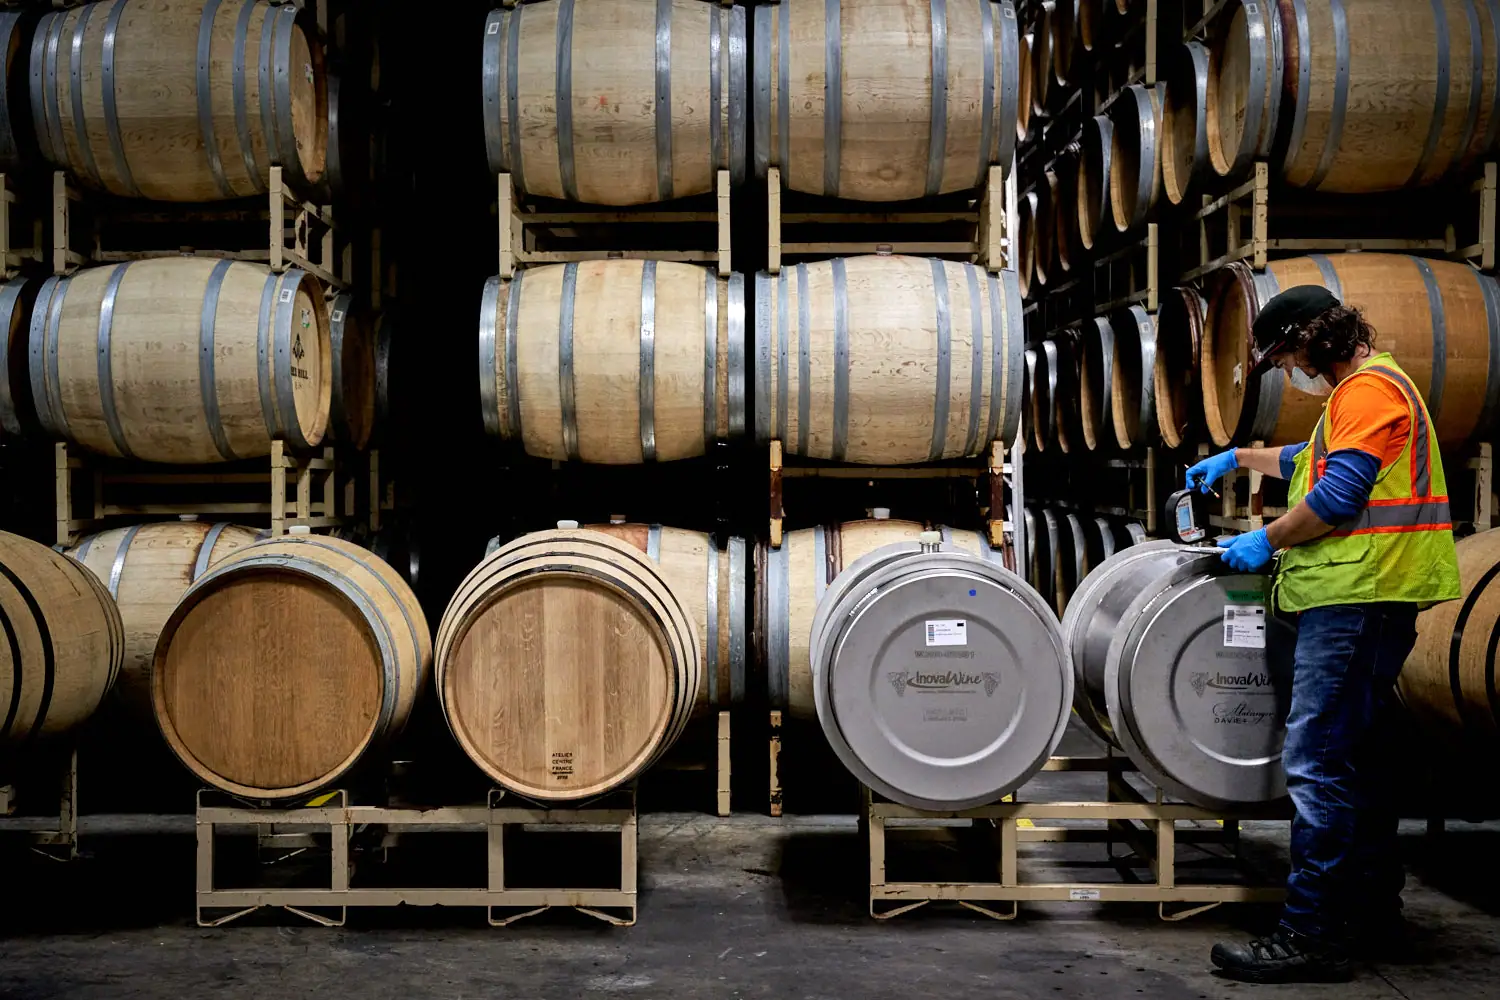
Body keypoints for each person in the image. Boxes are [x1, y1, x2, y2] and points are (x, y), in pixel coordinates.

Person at [1184, 285, 1461, 984]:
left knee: (1318, 765)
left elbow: (1336, 500)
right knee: (1358, 761)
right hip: (1363, 597)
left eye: (1288, 355)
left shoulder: (1366, 391)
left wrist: (1265, 543)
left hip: (1356, 597)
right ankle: (1371, 914)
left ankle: (1312, 933)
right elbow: (1313, 461)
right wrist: (1241, 460)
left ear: (1316, 337)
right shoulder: (1366, 392)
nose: (1291, 370)